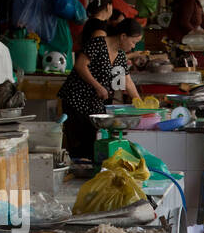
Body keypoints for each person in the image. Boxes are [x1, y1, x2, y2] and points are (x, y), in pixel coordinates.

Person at [59, 18, 143, 164]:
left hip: (95, 105)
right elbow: (80, 65)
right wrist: (98, 86)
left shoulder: (121, 56)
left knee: (92, 143)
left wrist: (141, 105)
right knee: (79, 144)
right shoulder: (98, 43)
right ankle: (76, 172)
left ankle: (88, 172)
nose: (133, 47)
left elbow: (127, 81)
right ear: (123, 36)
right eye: (133, 42)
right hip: (76, 100)